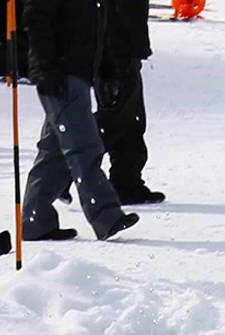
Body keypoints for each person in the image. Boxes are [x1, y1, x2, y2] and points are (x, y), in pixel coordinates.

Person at [21, 0, 136, 242]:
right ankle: (106, 215)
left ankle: (35, 220)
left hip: (78, 72)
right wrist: (45, 68)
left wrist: (108, 71)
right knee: (84, 146)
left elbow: (98, 27)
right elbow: (35, 19)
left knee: (54, 153)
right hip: (60, 74)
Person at [95, 0, 161, 205]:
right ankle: (61, 171)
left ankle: (127, 183)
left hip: (121, 48)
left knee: (130, 122)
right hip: (113, 51)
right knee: (115, 120)